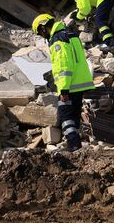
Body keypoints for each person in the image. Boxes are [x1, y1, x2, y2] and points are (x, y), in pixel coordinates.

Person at [32, 13, 94, 151]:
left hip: (69, 86)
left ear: (43, 28)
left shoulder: (57, 39)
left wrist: (63, 90)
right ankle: (78, 146)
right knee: (74, 114)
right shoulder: (70, 34)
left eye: (40, 33)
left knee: (65, 115)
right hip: (80, 83)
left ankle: (73, 145)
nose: (42, 36)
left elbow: (64, 66)